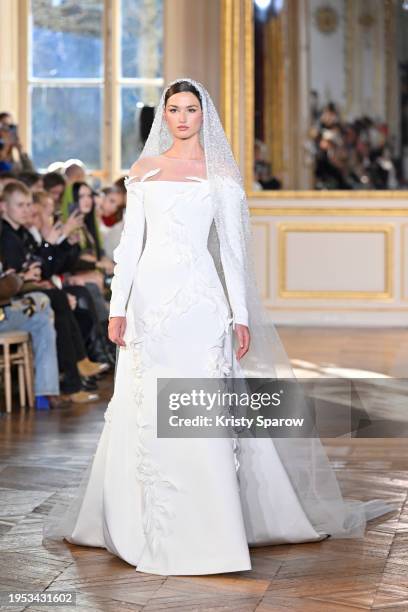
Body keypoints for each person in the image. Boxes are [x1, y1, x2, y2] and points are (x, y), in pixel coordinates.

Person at [43, 78, 396, 575]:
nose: (183, 117)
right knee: (145, 406)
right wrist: (119, 306)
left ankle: (213, 530)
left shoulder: (221, 176)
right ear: (163, 116)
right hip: (149, 301)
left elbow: (231, 252)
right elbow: (129, 248)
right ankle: (139, 522)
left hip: (202, 303)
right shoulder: (143, 171)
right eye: (174, 109)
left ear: (203, 115)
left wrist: (240, 314)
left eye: (191, 109)